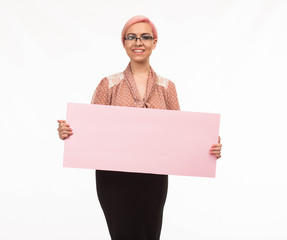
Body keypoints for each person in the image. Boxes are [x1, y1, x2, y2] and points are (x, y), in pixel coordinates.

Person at [57, 15, 222, 240]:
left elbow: (180, 134)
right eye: (131, 37)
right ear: (124, 43)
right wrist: (68, 133)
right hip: (113, 178)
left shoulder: (167, 87)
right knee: (123, 234)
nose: (138, 42)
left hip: (153, 178)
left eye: (145, 37)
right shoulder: (109, 84)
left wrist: (207, 146)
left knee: (149, 235)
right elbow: (90, 129)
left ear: (155, 42)